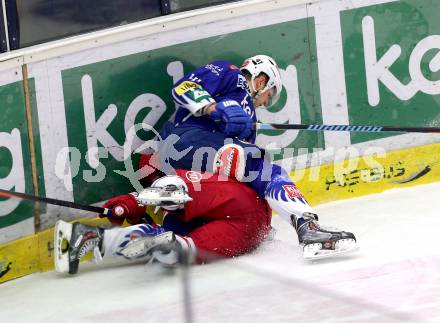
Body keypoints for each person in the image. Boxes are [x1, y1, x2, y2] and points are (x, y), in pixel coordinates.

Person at [156, 55, 357, 258]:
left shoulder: (249, 119)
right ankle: (308, 226)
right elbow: (183, 87)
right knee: (265, 170)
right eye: (268, 96)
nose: (265, 102)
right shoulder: (231, 75)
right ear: (261, 81)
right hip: (185, 139)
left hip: (194, 168)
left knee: (230, 196)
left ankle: (155, 236)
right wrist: (214, 108)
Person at [54, 154, 271, 275]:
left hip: (242, 217)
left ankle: (94, 236)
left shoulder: (220, 183)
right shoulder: (235, 188)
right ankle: (93, 236)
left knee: (178, 245)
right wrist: (132, 204)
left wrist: (132, 203)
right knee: (175, 240)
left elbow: (175, 187)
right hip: (246, 221)